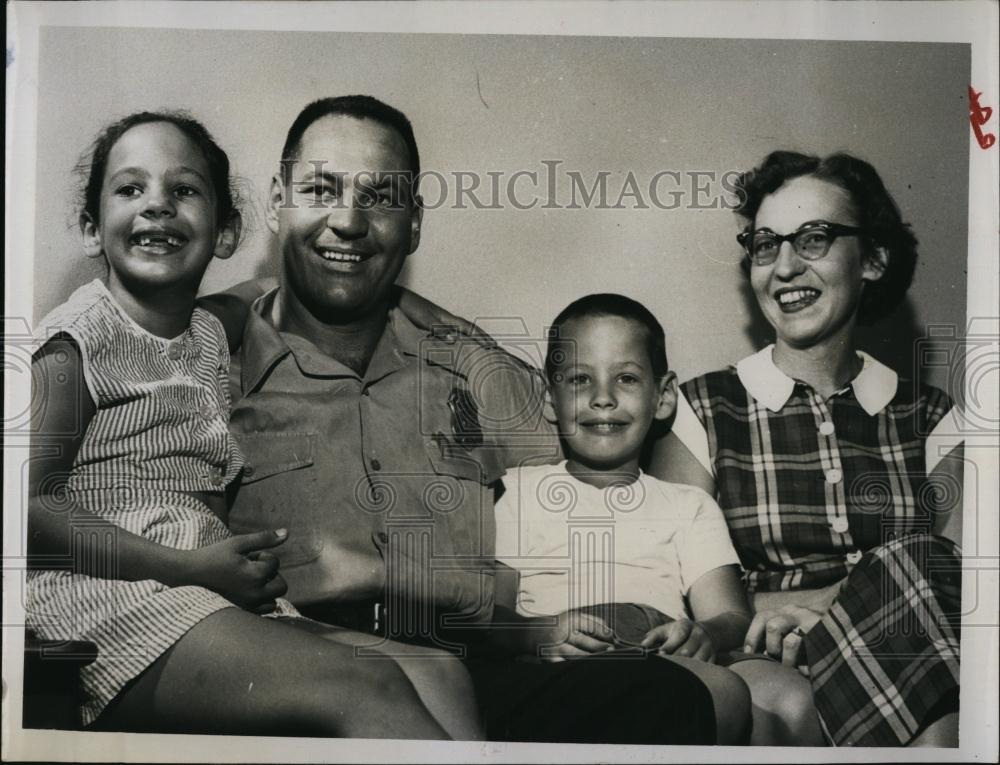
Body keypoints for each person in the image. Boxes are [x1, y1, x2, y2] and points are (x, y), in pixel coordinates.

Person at [218, 95, 720, 744]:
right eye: (321, 188)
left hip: (471, 665)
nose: (349, 220)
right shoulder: (209, 360)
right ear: (276, 203)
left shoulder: (469, 366)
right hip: (293, 679)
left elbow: (630, 428)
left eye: (381, 197)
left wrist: (696, 578)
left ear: (415, 223)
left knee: (670, 696)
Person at [26, 110, 473, 739]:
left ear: (228, 232)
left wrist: (455, 330)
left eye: (183, 191)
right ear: (90, 227)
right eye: (130, 189)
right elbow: (20, 505)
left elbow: (294, 282)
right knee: (366, 685)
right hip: (105, 596)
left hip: (203, 594)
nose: (156, 207)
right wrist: (183, 567)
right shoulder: (77, 339)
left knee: (437, 670)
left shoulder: (208, 333)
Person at [650, 150, 963, 747]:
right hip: (764, 663)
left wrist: (837, 604)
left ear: (872, 259)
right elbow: (672, 587)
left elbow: (967, 587)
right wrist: (801, 607)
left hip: (915, 669)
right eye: (766, 245)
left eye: (813, 238)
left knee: (929, 569)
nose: (784, 266)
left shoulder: (935, 419)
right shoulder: (702, 409)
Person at [491, 293, 753, 745]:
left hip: (658, 658)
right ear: (548, 397)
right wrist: (536, 633)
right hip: (557, 666)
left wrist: (702, 632)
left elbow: (731, 613)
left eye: (626, 378)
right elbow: (487, 612)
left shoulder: (688, 506)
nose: (603, 399)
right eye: (579, 379)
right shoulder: (516, 490)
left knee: (724, 691)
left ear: (664, 396)